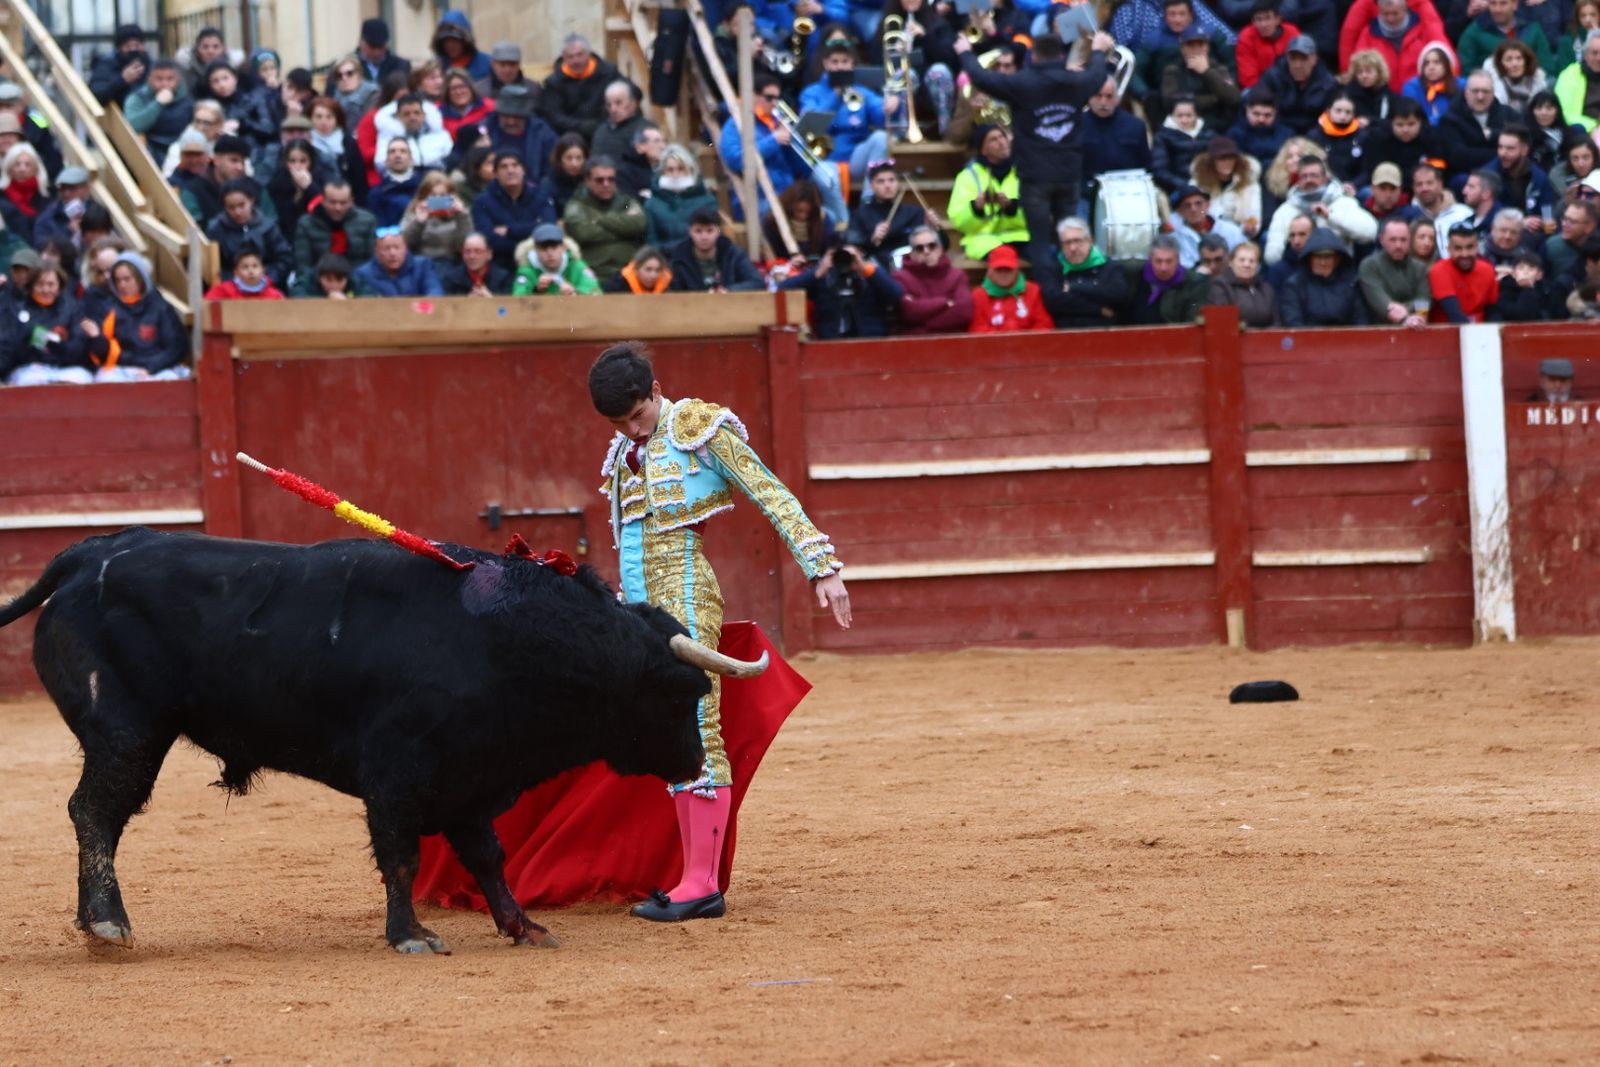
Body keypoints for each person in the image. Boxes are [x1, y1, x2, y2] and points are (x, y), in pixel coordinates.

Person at [586, 342, 847, 922]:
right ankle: (686, 873)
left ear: (656, 391)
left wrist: (820, 567)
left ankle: (701, 882)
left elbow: (768, 490)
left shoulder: (697, 427)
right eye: (618, 422)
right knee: (663, 733)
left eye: (637, 414)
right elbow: (626, 542)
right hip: (641, 611)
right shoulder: (621, 451)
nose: (632, 429)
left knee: (698, 725)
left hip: (685, 591)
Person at [955, 30, 1113, 267]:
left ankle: (1049, 292)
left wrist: (966, 52)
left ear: (1034, 57)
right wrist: (1099, 50)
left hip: (1034, 176)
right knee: (1068, 238)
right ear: (1061, 55)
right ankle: (1068, 289)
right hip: (1068, 173)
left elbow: (982, 78)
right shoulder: (1076, 82)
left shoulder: (1022, 83)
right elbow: (1099, 74)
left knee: (1038, 241)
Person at [80, 252, 188, 380]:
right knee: (105, 379)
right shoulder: (110, 309)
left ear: (141, 278)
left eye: (127, 279)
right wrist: (96, 337)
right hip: (123, 369)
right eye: (118, 280)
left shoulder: (160, 307)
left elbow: (176, 347)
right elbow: (104, 354)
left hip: (157, 368)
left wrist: (150, 368)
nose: (122, 285)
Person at [780, 236, 904, 338]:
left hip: (870, 340)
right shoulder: (823, 277)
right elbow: (783, 291)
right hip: (830, 342)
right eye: (839, 256)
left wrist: (866, 269)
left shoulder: (870, 275)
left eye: (850, 256)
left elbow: (896, 295)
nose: (845, 260)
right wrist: (817, 272)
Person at [1263, 155, 1378, 263]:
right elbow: (1271, 256)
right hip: (1298, 270)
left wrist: (1330, 216)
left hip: (1340, 268)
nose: (1309, 180)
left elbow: (1370, 233)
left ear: (1325, 178)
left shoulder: (1343, 202)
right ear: (1298, 180)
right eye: (1304, 176)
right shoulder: (1286, 210)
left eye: (1314, 175)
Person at [562, 155, 648, 286]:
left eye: (611, 179)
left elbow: (638, 223)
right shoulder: (578, 205)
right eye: (599, 180)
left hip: (628, 272)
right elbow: (583, 232)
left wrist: (599, 219)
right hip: (593, 273)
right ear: (587, 181)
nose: (606, 184)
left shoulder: (624, 202)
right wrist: (623, 230)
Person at [946, 125, 1027, 261]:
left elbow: (1037, 214)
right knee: (1003, 258)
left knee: (1046, 256)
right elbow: (958, 220)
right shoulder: (968, 176)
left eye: (1002, 137)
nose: (1001, 142)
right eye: (993, 140)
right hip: (983, 241)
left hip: (1020, 236)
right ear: (983, 149)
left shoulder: (1024, 171)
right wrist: (975, 208)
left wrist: (1011, 207)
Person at [2, 264, 91, 385]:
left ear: (60, 286)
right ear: (31, 286)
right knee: (30, 380)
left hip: (64, 368)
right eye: (40, 284)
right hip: (29, 368)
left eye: (51, 284)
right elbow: (10, 346)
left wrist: (54, 342)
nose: (45, 289)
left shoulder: (72, 309)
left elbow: (78, 346)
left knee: (81, 378)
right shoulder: (17, 310)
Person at [1038, 216, 1129, 328]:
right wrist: (1099, 310)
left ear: (1090, 241)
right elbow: (1054, 302)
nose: (1072, 248)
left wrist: (1073, 287)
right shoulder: (1053, 269)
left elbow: (1117, 296)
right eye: (1067, 243)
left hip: (1104, 332)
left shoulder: (1110, 267)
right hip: (1065, 334)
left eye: (1077, 241)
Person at [472, 149, 554, 270]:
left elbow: (548, 228)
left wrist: (510, 230)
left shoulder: (540, 196)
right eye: (504, 167)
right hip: (499, 264)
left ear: (523, 170)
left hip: (538, 260)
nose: (510, 171)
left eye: (515, 165)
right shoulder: (482, 201)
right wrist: (531, 230)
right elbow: (488, 238)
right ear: (495, 174)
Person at [205, 178, 294, 288]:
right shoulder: (216, 229)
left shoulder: (268, 227)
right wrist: (235, 281)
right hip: (230, 289)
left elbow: (284, 258)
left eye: (241, 205)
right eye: (231, 207)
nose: (237, 212)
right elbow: (213, 265)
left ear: (251, 200)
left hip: (268, 286)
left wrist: (265, 279)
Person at [1344, 0, 1446, 93]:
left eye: (1395, 14)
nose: (1390, 18)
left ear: (1405, 10)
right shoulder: (1368, 34)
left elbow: (1443, 59)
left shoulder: (1423, 30)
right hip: (1380, 96)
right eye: (1385, 14)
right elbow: (1358, 69)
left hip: (1421, 95)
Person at [293, 179, 377, 289]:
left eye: (343, 203)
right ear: (322, 200)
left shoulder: (367, 221)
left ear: (352, 201)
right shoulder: (306, 224)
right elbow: (303, 266)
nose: (338, 208)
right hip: (318, 283)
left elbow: (373, 262)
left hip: (359, 282)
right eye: (332, 202)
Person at [1278, 227, 1369, 325]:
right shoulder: (1294, 285)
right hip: (1307, 338)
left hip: (1346, 338)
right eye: (1317, 257)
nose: (1322, 262)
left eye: (1328, 257)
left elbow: (1361, 321)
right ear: (1309, 258)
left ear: (1337, 259)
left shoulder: (1351, 283)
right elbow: (1293, 323)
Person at [542, 35, 625, 142]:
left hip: (607, 130)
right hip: (569, 135)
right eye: (570, 57)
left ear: (588, 54)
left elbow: (632, 93)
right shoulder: (553, 82)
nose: (576, 61)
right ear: (564, 58)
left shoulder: (609, 73)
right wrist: (581, 126)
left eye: (579, 55)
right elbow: (554, 116)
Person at [891, 226, 971, 333]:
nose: (926, 251)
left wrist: (925, 327)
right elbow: (909, 312)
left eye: (932, 246)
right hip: (914, 344)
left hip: (952, 342)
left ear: (940, 249)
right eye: (920, 248)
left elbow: (963, 313)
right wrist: (945, 302)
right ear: (912, 254)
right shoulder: (900, 277)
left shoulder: (957, 275)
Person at [666, 206, 764, 292]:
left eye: (709, 231)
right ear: (690, 232)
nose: (704, 236)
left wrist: (728, 291)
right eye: (698, 231)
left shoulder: (734, 254)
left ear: (718, 231)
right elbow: (673, 291)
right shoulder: (679, 258)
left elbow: (757, 282)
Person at [1257, 34, 1337, 134]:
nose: (1297, 65)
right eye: (1293, 58)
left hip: (1315, 135)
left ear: (1314, 59)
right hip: (1278, 133)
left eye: (1303, 58)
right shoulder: (1272, 78)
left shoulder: (1328, 83)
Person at [1359, 215, 1431, 324]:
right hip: (1379, 330)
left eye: (1403, 240)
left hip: (1416, 326)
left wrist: (1407, 312)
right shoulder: (1369, 265)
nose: (1398, 245)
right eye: (1393, 240)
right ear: (1382, 240)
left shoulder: (1419, 267)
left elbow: (1424, 302)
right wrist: (1406, 316)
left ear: (1410, 240)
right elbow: (1380, 302)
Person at [1458, 0, 1557, 77]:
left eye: (1503, 3)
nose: (1497, 9)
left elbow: (1547, 67)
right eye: (1493, 3)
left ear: (1515, 4)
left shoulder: (1532, 29)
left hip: (1530, 86)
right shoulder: (1475, 31)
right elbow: (1467, 68)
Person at [1191, 135, 1264, 239]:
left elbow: (1254, 214)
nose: (1227, 163)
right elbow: (1193, 211)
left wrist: (1249, 227)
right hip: (1205, 235)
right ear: (1212, 161)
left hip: (1238, 235)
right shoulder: (1198, 183)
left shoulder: (1249, 183)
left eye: (1231, 158)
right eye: (1222, 159)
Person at [124, 58, 194, 165]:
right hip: (150, 148)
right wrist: (158, 104)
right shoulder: (137, 98)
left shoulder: (187, 98)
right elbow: (132, 126)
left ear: (178, 80)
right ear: (149, 79)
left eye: (170, 79)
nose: (164, 84)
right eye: (159, 79)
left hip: (182, 147)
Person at [1440, 71, 1510, 179]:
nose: (1480, 96)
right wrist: (1501, 154)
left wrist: (1494, 135)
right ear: (1466, 92)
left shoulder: (1509, 115)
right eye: (1475, 91)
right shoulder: (1450, 119)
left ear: (1493, 94)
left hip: (1503, 174)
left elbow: (1520, 147)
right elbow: (1458, 157)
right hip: (1465, 176)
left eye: (1485, 91)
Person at [646, 144, 717, 248]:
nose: (675, 174)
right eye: (670, 170)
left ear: (691, 170)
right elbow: (652, 242)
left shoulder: (708, 201)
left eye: (681, 169)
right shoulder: (652, 204)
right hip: (667, 259)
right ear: (662, 172)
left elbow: (712, 237)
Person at [968, 244, 1051, 333]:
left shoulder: (1032, 290)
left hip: (1028, 345)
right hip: (993, 346)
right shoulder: (979, 296)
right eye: (999, 270)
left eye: (1008, 269)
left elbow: (1044, 325)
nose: (1004, 274)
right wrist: (1005, 335)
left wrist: (1021, 339)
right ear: (989, 271)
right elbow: (977, 329)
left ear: (1017, 270)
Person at [1128, 234, 1209, 323]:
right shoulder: (1134, 277)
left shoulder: (1193, 283)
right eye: (1158, 261)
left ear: (1178, 260)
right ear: (1150, 260)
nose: (1164, 268)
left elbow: (1191, 319)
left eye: (1169, 261)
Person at [487, 85, 558, 187]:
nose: (511, 122)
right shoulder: (486, 130)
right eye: (506, 116)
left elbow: (551, 170)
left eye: (517, 117)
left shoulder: (542, 134)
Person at [1487, 124, 1556, 224]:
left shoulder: (1539, 177)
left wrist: (1548, 222)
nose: (1502, 153)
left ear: (1524, 150)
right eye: (1500, 147)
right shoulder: (1489, 175)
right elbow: (1488, 212)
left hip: (1534, 231)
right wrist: (1520, 222)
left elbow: (1547, 208)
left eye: (1510, 148)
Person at [1429, 222, 1499, 321]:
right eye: (1458, 248)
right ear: (1449, 249)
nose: (1464, 254)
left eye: (1469, 247)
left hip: (1481, 330)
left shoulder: (1487, 270)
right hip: (1448, 332)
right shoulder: (1439, 270)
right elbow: (1454, 314)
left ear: (1477, 247)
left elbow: (1492, 311)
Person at [400, 170, 472, 264]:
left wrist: (462, 216)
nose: (438, 200)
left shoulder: (460, 213)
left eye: (442, 195)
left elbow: (463, 246)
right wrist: (418, 222)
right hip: (420, 261)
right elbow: (404, 244)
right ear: (424, 196)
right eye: (433, 195)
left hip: (450, 262)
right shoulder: (415, 210)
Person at [511, 222, 602, 296]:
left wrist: (576, 293)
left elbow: (596, 293)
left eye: (554, 247)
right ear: (536, 250)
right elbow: (517, 300)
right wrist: (537, 291)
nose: (550, 253)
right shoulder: (527, 271)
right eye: (544, 248)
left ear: (563, 248)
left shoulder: (577, 267)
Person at [352, 226, 445, 296]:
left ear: (405, 248)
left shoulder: (423, 265)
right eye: (386, 249)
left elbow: (435, 291)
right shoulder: (363, 274)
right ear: (377, 252)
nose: (392, 253)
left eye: (397, 247)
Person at [1168, 184, 1247, 266]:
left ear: (1207, 206)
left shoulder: (1232, 231)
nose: (1193, 209)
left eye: (1198, 203)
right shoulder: (1174, 240)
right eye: (1187, 206)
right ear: (1179, 211)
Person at [1206, 239, 1278, 325]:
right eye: (1241, 260)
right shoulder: (1220, 286)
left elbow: (1276, 322)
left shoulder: (1266, 289)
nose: (1247, 265)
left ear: (1258, 266)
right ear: (1231, 262)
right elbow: (1221, 322)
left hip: (1266, 337)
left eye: (1252, 261)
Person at [1152, 95, 1214, 194]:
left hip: (1209, 186)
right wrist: (1187, 185)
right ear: (1171, 115)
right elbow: (1160, 171)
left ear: (1197, 115)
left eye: (1189, 115)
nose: (1184, 120)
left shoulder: (1209, 134)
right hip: (1178, 189)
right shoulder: (1163, 137)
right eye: (1179, 116)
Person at [1236, 0, 1300, 89]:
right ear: (1253, 22)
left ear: (1278, 19)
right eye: (1259, 19)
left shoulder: (1292, 32)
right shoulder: (1246, 38)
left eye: (1267, 18)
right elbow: (1248, 79)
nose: (1263, 24)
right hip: (1260, 89)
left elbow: (1302, 64)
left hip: (1291, 85)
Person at [1227, 88, 1294, 170]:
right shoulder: (1235, 135)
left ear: (1275, 113)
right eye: (1256, 114)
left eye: (1267, 115)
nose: (1261, 119)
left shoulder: (1287, 134)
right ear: (1247, 110)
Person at [1399, 43, 1462, 127]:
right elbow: (1413, 121)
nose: (1431, 67)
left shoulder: (1461, 86)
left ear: (1448, 65)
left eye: (1437, 62)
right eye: (1426, 63)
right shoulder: (1412, 87)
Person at [90, 23, 151, 108]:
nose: (133, 49)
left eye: (137, 45)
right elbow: (96, 94)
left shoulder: (151, 65)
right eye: (128, 46)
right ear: (119, 48)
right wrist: (122, 80)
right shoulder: (106, 65)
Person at [369, 138, 424, 227]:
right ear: (385, 161)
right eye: (392, 152)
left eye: (403, 151)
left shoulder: (424, 188)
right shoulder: (376, 193)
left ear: (412, 160)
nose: (397, 155)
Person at [1491, 250, 1562, 319]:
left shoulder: (1547, 290)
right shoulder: (1504, 289)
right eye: (1521, 268)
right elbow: (1520, 314)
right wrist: (1527, 287)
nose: (1525, 272)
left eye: (1531, 268)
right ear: (1513, 274)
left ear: (1539, 275)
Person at [203, 243, 286, 300]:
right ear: (236, 272)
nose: (251, 271)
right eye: (245, 267)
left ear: (263, 270)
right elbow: (207, 306)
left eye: (255, 266)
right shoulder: (223, 291)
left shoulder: (274, 295)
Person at [438, 231, 512, 295]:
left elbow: (510, 309)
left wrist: (491, 301)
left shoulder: (504, 278)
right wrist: (466, 303)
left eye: (478, 251)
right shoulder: (451, 279)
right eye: (467, 251)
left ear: (489, 254)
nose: (472, 256)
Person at [1543, 200, 1599, 281]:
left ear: (1589, 227)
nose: (1564, 224)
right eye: (1564, 219)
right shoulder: (1550, 246)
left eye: (1572, 221)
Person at [430, 11, 492, 84]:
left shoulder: (487, 63)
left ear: (465, 41)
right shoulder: (437, 67)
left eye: (455, 40)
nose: (450, 45)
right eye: (446, 41)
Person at [537, 133, 587, 219]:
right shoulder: (548, 184)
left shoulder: (592, 181)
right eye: (569, 158)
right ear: (560, 159)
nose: (574, 164)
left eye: (579, 158)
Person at [1345, 50, 1401, 124]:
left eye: (1368, 71)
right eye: (1360, 72)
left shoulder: (1389, 97)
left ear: (1379, 72)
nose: (1364, 76)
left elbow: (1392, 123)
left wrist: (1370, 121)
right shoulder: (1347, 95)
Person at [356, 18, 411, 86]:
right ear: (361, 42)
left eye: (380, 46)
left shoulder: (400, 65)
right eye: (372, 46)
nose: (377, 52)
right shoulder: (348, 67)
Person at [602, 245, 673, 294]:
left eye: (658, 270)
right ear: (636, 270)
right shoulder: (616, 286)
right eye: (648, 269)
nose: (653, 275)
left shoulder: (669, 286)